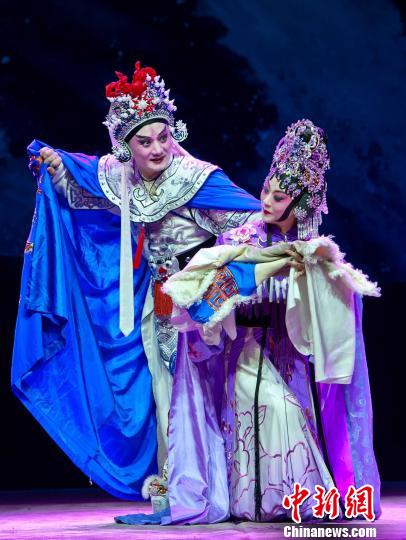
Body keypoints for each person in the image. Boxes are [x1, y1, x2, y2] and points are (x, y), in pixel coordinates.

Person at [12, 61, 261, 500]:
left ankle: (228, 478)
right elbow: (85, 188)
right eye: (145, 142)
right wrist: (56, 167)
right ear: (127, 147)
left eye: (163, 137)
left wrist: (216, 270)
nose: (158, 149)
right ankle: (177, 474)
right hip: (159, 300)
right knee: (165, 385)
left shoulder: (195, 178)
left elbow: (252, 221)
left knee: (209, 383)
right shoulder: (122, 178)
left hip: (204, 301)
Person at [119, 119, 381, 524]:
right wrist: (261, 269)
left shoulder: (312, 250)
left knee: (293, 414)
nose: (267, 202)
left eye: (279, 197)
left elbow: (338, 306)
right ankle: (263, 502)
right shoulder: (238, 240)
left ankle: (279, 503)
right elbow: (213, 293)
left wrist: (310, 276)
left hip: (289, 354)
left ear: (301, 206)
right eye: (265, 191)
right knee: (278, 410)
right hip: (242, 350)